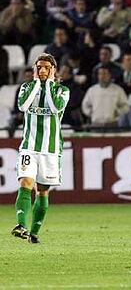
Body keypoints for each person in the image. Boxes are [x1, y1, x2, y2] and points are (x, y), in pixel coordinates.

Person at [11, 53, 70, 243]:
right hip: (29, 146)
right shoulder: (27, 87)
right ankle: (21, 225)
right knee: (26, 183)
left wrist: (49, 83)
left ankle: (34, 233)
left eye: (46, 67)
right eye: (38, 67)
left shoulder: (62, 90)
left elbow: (54, 108)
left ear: (53, 69)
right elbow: (22, 106)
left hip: (50, 149)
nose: (42, 70)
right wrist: (37, 83)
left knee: (43, 191)